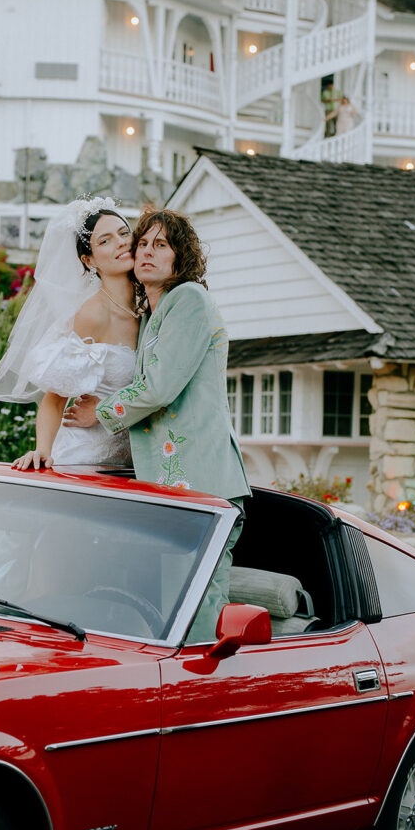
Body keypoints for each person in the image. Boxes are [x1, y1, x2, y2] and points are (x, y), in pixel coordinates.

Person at [63, 207, 251, 636]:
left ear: (180, 256)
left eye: (161, 245)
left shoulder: (189, 300)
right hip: (167, 486)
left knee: (199, 613)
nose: (146, 251)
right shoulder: (150, 313)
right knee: (165, 611)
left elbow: (161, 386)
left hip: (203, 482)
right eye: (142, 243)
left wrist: (101, 411)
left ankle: (203, 692)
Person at [0, 196, 139, 469]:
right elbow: (54, 399)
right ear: (89, 260)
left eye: (124, 233)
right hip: (85, 458)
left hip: (136, 461)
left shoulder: (147, 308)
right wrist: (42, 450)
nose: (120, 242)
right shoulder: (92, 314)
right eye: (105, 240)